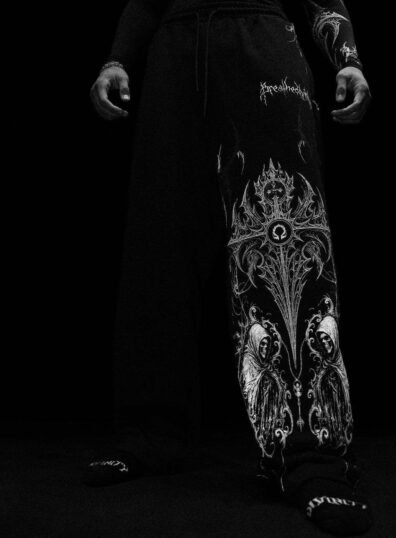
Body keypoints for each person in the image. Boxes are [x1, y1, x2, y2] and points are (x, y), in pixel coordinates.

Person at [86, 0, 373, 534]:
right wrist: (117, 59)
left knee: (283, 241)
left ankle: (310, 455)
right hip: (174, 56)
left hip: (261, 48)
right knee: (158, 249)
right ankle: (150, 436)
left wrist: (348, 59)